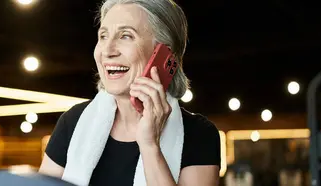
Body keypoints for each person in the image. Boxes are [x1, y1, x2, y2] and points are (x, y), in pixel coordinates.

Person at [38, 0, 221, 185]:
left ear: (165, 55)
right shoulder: (73, 122)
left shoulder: (199, 135)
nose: (107, 51)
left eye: (126, 36)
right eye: (103, 36)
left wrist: (150, 146)